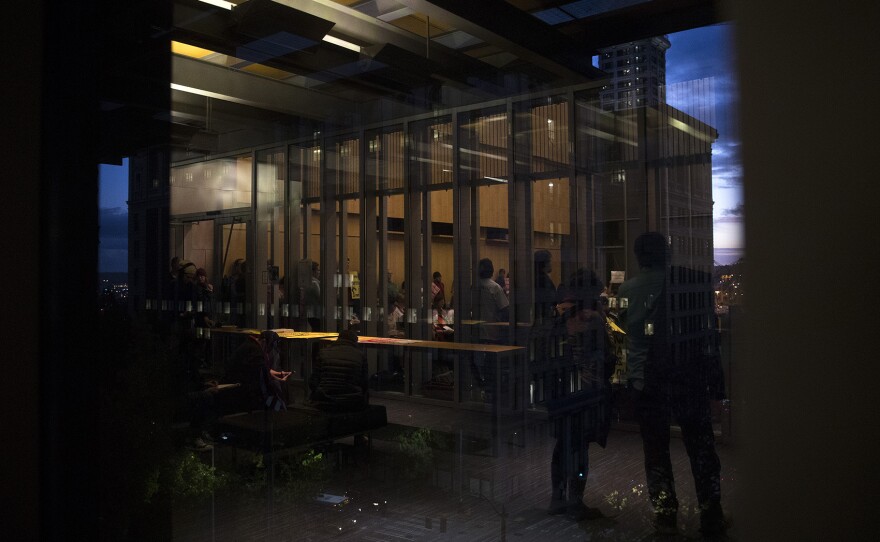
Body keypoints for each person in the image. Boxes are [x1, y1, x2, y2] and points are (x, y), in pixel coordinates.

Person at [617, 232, 726, 536]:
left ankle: (665, 518)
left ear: (639, 257)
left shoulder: (626, 290)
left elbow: (621, 344)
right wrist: (717, 390)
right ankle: (711, 514)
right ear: (667, 254)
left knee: (656, 453)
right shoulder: (688, 287)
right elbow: (708, 342)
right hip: (688, 382)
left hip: (646, 384)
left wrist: (622, 386)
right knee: (701, 449)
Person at [547, 269, 613, 521]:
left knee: (562, 444)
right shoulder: (592, 318)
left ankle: (557, 497)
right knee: (580, 446)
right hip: (584, 391)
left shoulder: (558, 313)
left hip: (560, 389)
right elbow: (603, 356)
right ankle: (575, 501)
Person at [309, 329, 369, 412]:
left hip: (325, 398)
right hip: (352, 400)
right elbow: (364, 383)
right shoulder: (360, 355)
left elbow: (313, 381)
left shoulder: (323, 353)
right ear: (355, 341)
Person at [304, 261, 322, 331]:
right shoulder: (315, 283)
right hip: (317, 313)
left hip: (310, 313)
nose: (319, 272)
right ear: (312, 271)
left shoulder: (307, 282)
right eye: (318, 270)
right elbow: (320, 297)